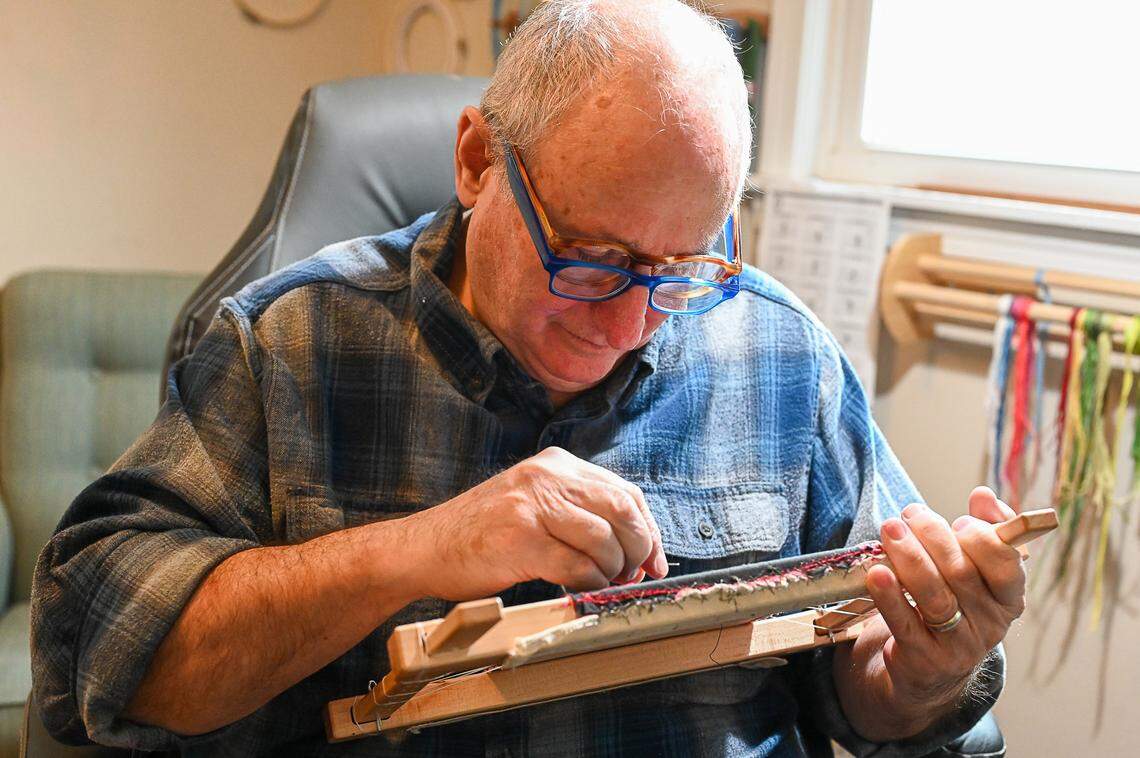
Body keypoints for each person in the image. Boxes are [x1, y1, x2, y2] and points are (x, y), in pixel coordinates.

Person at [31, 1, 1024, 755]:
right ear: (476, 161)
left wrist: (923, 673)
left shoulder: (778, 354)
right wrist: (417, 550)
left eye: (678, 268)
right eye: (590, 259)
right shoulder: (289, 343)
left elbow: (861, 691)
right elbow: (101, 650)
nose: (628, 323)